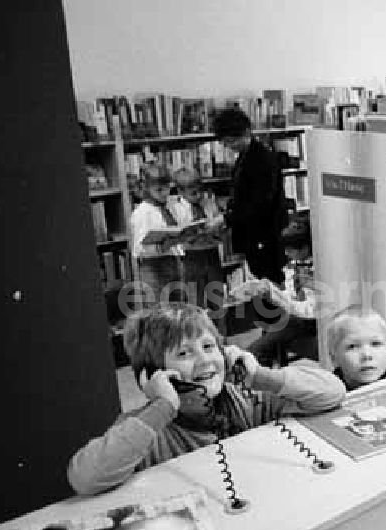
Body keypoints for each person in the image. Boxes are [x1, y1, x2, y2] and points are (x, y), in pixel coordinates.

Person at [67, 302, 346, 496]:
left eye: (209, 347)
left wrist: (262, 377)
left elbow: (333, 392)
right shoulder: (146, 429)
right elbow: (84, 478)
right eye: (184, 354)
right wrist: (161, 407)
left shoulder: (247, 399)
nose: (204, 360)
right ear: (153, 375)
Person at [213, 108, 288, 284]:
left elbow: (259, 202)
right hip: (253, 235)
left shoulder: (262, 159)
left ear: (246, 132)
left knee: (269, 285)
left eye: (231, 141)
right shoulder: (245, 156)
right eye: (225, 143)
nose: (229, 146)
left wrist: (227, 218)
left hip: (266, 235)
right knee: (259, 282)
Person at [237, 219, 320, 366]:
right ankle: (252, 357)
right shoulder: (294, 266)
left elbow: (310, 309)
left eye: (290, 249)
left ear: (305, 248)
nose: (286, 253)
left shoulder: (316, 269)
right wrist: (275, 292)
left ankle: (248, 357)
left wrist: (282, 299)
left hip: (310, 320)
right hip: (297, 316)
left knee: (282, 328)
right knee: (280, 325)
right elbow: (292, 294)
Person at [169, 167, 226, 310]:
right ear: (180, 191)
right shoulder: (175, 208)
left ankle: (219, 329)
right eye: (193, 193)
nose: (199, 195)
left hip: (211, 253)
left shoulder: (208, 203)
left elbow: (220, 225)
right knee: (195, 300)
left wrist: (218, 226)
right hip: (191, 257)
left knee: (217, 298)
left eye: (200, 190)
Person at [130, 163, 185, 305]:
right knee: (158, 312)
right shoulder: (142, 212)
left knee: (178, 310)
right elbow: (137, 249)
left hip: (174, 263)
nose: (165, 193)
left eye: (167, 188)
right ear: (146, 188)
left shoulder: (171, 207)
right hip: (154, 268)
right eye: (159, 190)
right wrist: (161, 247)